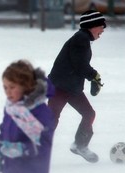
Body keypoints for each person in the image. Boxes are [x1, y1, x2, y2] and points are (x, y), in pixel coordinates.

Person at [48, 10, 106, 163]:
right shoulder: (80, 39)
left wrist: (93, 77)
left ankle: (80, 145)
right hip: (60, 87)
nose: (103, 30)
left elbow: (79, 65)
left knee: (89, 114)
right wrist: (94, 76)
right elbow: (79, 64)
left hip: (71, 87)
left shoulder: (83, 39)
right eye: (101, 26)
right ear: (91, 26)